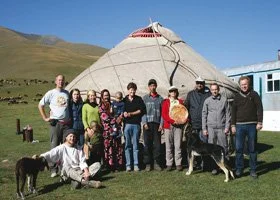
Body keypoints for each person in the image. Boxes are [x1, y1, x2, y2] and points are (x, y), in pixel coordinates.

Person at [38, 74, 71, 177]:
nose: (61, 82)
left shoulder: (67, 93)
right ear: (56, 81)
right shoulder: (51, 93)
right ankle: (53, 169)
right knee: (54, 146)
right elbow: (40, 105)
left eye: (63, 80)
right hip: (55, 123)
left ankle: (63, 168)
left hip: (66, 124)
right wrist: (45, 118)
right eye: (59, 80)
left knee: (65, 146)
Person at [231, 76, 263, 179]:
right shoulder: (236, 96)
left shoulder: (254, 95)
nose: (244, 86)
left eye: (245, 84)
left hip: (252, 125)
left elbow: (260, 108)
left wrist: (260, 122)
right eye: (242, 84)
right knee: (239, 148)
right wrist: (232, 125)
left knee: (252, 149)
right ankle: (239, 169)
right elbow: (233, 112)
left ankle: (253, 170)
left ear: (248, 84)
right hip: (239, 126)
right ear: (239, 85)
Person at [202, 83, 231, 175]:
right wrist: (204, 128)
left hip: (222, 128)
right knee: (211, 149)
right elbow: (204, 115)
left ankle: (226, 166)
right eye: (212, 89)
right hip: (211, 128)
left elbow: (228, 114)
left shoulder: (224, 100)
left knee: (224, 148)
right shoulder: (207, 101)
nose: (214, 91)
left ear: (218, 90)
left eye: (216, 89)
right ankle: (214, 168)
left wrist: (227, 127)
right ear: (210, 90)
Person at [123, 82, 146, 172]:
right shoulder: (124, 100)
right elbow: (121, 109)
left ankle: (136, 164)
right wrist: (124, 113)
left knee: (136, 145)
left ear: (135, 90)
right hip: (127, 125)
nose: (132, 91)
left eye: (133, 89)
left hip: (136, 124)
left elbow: (141, 110)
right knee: (127, 145)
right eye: (130, 89)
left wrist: (131, 113)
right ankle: (128, 165)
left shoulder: (138, 99)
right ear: (128, 90)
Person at [161, 86, 186, 171]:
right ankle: (169, 164)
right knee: (168, 145)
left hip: (178, 125)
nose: (173, 93)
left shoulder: (180, 102)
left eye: (175, 91)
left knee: (178, 145)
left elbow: (184, 112)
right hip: (169, 125)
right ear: (169, 92)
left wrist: (183, 120)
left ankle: (178, 163)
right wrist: (172, 121)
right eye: (171, 91)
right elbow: (164, 114)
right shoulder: (166, 102)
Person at [142, 79, 164, 171]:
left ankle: (156, 163)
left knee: (157, 145)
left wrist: (161, 124)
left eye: (154, 85)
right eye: (151, 86)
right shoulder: (145, 98)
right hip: (147, 124)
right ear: (149, 87)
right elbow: (143, 112)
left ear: (156, 86)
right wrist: (144, 123)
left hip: (157, 124)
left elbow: (163, 113)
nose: (152, 87)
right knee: (147, 144)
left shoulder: (160, 99)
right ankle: (148, 164)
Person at [99, 89, 123, 172]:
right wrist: (115, 120)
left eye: (107, 95)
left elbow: (118, 113)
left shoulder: (112, 104)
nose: (106, 97)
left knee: (117, 147)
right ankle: (109, 165)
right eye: (105, 95)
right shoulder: (101, 106)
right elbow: (105, 118)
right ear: (102, 97)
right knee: (108, 148)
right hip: (107, 130)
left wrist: (119, 117)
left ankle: (118, 165)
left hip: (115, 130)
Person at [82, 90, 102, 164]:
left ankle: (98, 164)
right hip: (89, 130)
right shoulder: (85, 106)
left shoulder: (98, 106)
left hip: (98, 130)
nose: (92, 97)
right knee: (89, 147)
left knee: (97, 148)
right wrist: (88, 129)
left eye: (94, 95)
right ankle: (88, 163)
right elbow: (84, 119)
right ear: (88, 97)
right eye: (91, 95)